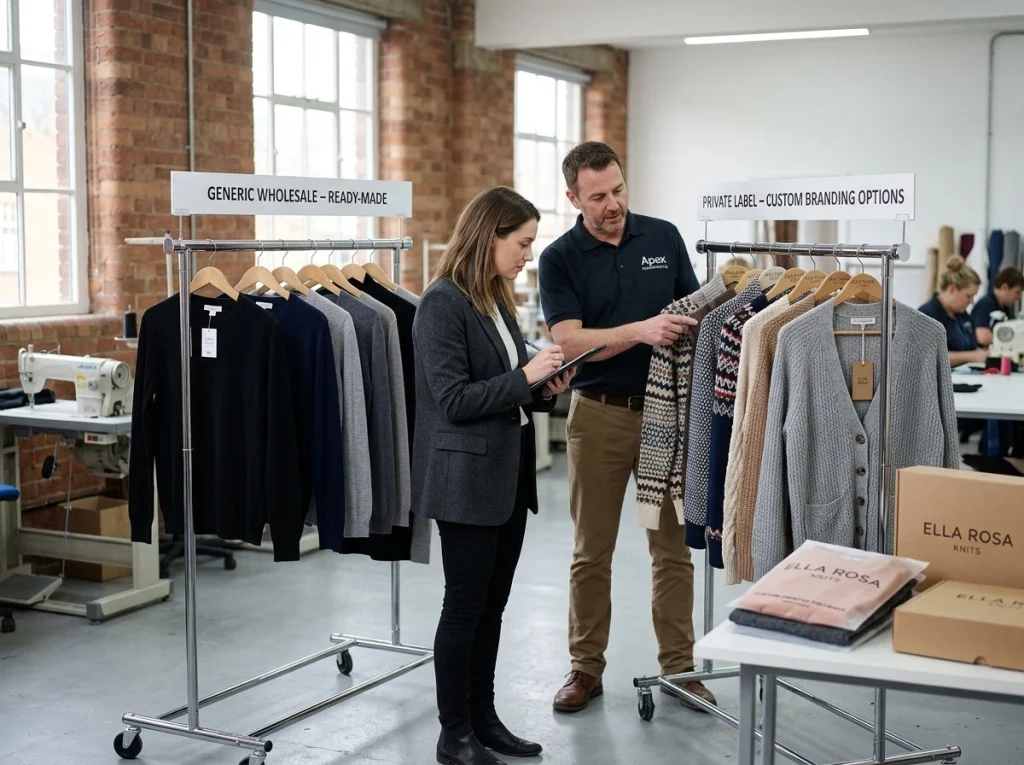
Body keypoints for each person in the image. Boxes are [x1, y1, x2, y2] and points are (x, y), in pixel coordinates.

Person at [537, 141, 716, 714]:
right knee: (592, 552)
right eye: (598, 196)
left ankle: (680, 669)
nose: (612, 203)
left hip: (667, 416)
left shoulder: (662, 237)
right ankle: (585, 669)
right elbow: (569, 341)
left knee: (672, 549)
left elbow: (692, 313)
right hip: (599, 417)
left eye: (617, 189)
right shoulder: (558, 258)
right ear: (573, 198)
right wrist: (640, 330)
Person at [412, 186, 574, 765]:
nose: (528, 254)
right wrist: (525, 374)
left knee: (492, 607)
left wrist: (541, 389)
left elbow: (504, 387)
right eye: (522, 243)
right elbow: (452, 399)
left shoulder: (496, 300)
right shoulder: (441, 304)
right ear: (490, 236)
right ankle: (453, 735)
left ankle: (484, 718)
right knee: (464, 608)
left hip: (505, 480)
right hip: (464, 483)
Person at [918, 256, 986, 367]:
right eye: (968, 296)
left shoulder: (963, 316)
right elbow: (927, 356)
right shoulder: (927, 315)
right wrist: (972, 356)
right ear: (952, 289)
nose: (972, 302)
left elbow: (973, 346)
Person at [972, 266, 1023, 348]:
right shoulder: (985, 305)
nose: (1019, 297)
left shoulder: (1004, 307)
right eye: (1017, 292)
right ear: (1005, 288)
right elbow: (982, 337)